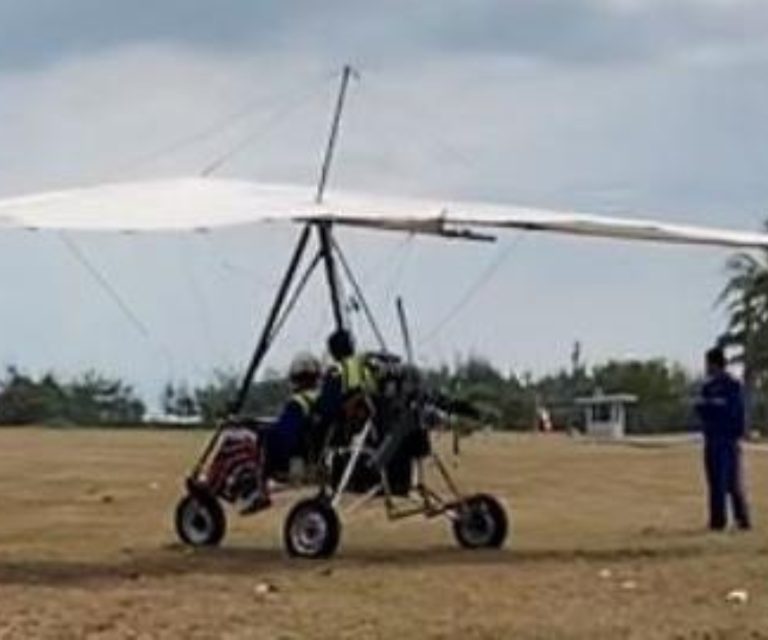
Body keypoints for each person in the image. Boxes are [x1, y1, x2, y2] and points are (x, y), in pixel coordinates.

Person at [240, 352, 321, 514]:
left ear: (295, 378)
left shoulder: (298, 403)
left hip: (294, 460)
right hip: (313, 453)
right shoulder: (320, 398)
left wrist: (261, 430)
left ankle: (259, 490)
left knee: (260, 439)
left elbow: (285, 434)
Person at [695, 346, 751, 531]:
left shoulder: (732, 385)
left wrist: (736, 433)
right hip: (712, 439)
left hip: (727, 439)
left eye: (708, 363)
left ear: (715, 364)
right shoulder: (707, 387)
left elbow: (736, 411)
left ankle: (742, 519)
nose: (706, 367)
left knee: (731, 482)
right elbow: (703, 411)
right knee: (714, 482)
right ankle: (717, 521)